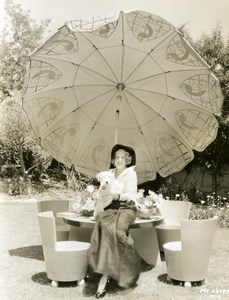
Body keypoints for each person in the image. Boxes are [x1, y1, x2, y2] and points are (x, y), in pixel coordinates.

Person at [87, 144, 142, 298]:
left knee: (117, 231)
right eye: (116, 157)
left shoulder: (131, 174)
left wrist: (117, 195)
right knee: (102, 226)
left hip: (127, 208)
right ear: (112, 159)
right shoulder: (108, 173)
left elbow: (131, 195)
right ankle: (107, 271)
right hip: (111, 207)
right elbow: (103, 193)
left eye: (122, 157)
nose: (119, 160)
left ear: (128, 159)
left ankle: (114, 273)